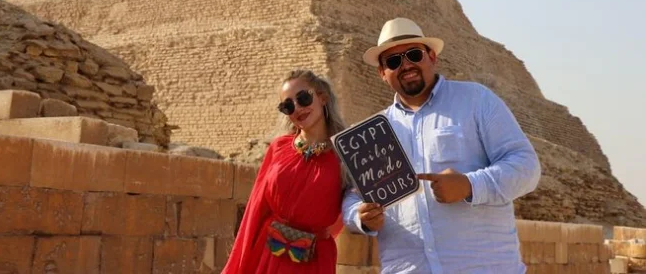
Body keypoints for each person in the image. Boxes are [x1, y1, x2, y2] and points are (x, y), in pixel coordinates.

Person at [342, 17, 541, 274]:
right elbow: (352, 195)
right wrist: (360, 216)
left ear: (432, 57)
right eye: (393, 61)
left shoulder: (476, 101)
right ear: (382, 73)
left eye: (414, 55)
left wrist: (470, 185)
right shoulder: (372, 134)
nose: (406, 65)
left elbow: (526, 166)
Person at [222, 69, 347, 274]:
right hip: (268, 254)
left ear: (322, 97)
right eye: (288, 106)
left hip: (314, 258)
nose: (297, 108)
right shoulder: (278, 147)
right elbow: (256, 207)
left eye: (303, 98)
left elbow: (352, 205)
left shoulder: (345, 154)